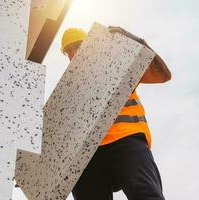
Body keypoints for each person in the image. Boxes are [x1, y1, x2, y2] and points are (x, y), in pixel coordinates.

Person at [61, 27, 171, 200]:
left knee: (146, 195)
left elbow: (162, 75)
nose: (73, 54)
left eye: (78, 46)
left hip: (126, 141)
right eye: (68, 51)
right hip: (87, 155)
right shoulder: (68, 92)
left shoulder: (116, 68)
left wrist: (135, 40)